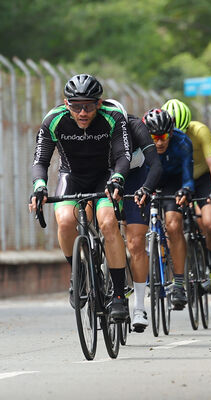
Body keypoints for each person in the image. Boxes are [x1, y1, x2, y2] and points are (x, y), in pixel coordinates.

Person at [29, 74, 131, 321]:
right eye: (76, 106)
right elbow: (41, 161)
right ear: (66, 104)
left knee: (107, 222)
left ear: (99, 102)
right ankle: (79, 271)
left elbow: (122, 156)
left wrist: (117, 178)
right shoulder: (54, 120)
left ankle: (118, 295)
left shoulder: (113, 116)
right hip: (72, 176)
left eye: (89, 105)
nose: (83, 112)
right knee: (65, 221)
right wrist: (40, 186)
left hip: (105, 176)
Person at [104, 99, 162, 332]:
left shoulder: (137, 127)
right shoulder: (95, 130)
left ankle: (139, 307)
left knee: (136, 242)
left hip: (135, 179)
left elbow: (155, 165)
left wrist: (146, 189)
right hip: (105, 177)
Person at [162, 99, 211, 296]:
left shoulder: (200, 131)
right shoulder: (161, 133)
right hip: (177, 179)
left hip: (201, 179)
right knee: (173, 224)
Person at [142, 108, 194, 309]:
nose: (159, 142)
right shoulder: (139, 143)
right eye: (154, 137)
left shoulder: (182, 142)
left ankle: (179, 283)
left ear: (171, 133)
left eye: (163, 137)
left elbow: (188, 178)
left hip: (173, 184)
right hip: (147, 183)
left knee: (173, 225)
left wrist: (186, 190)